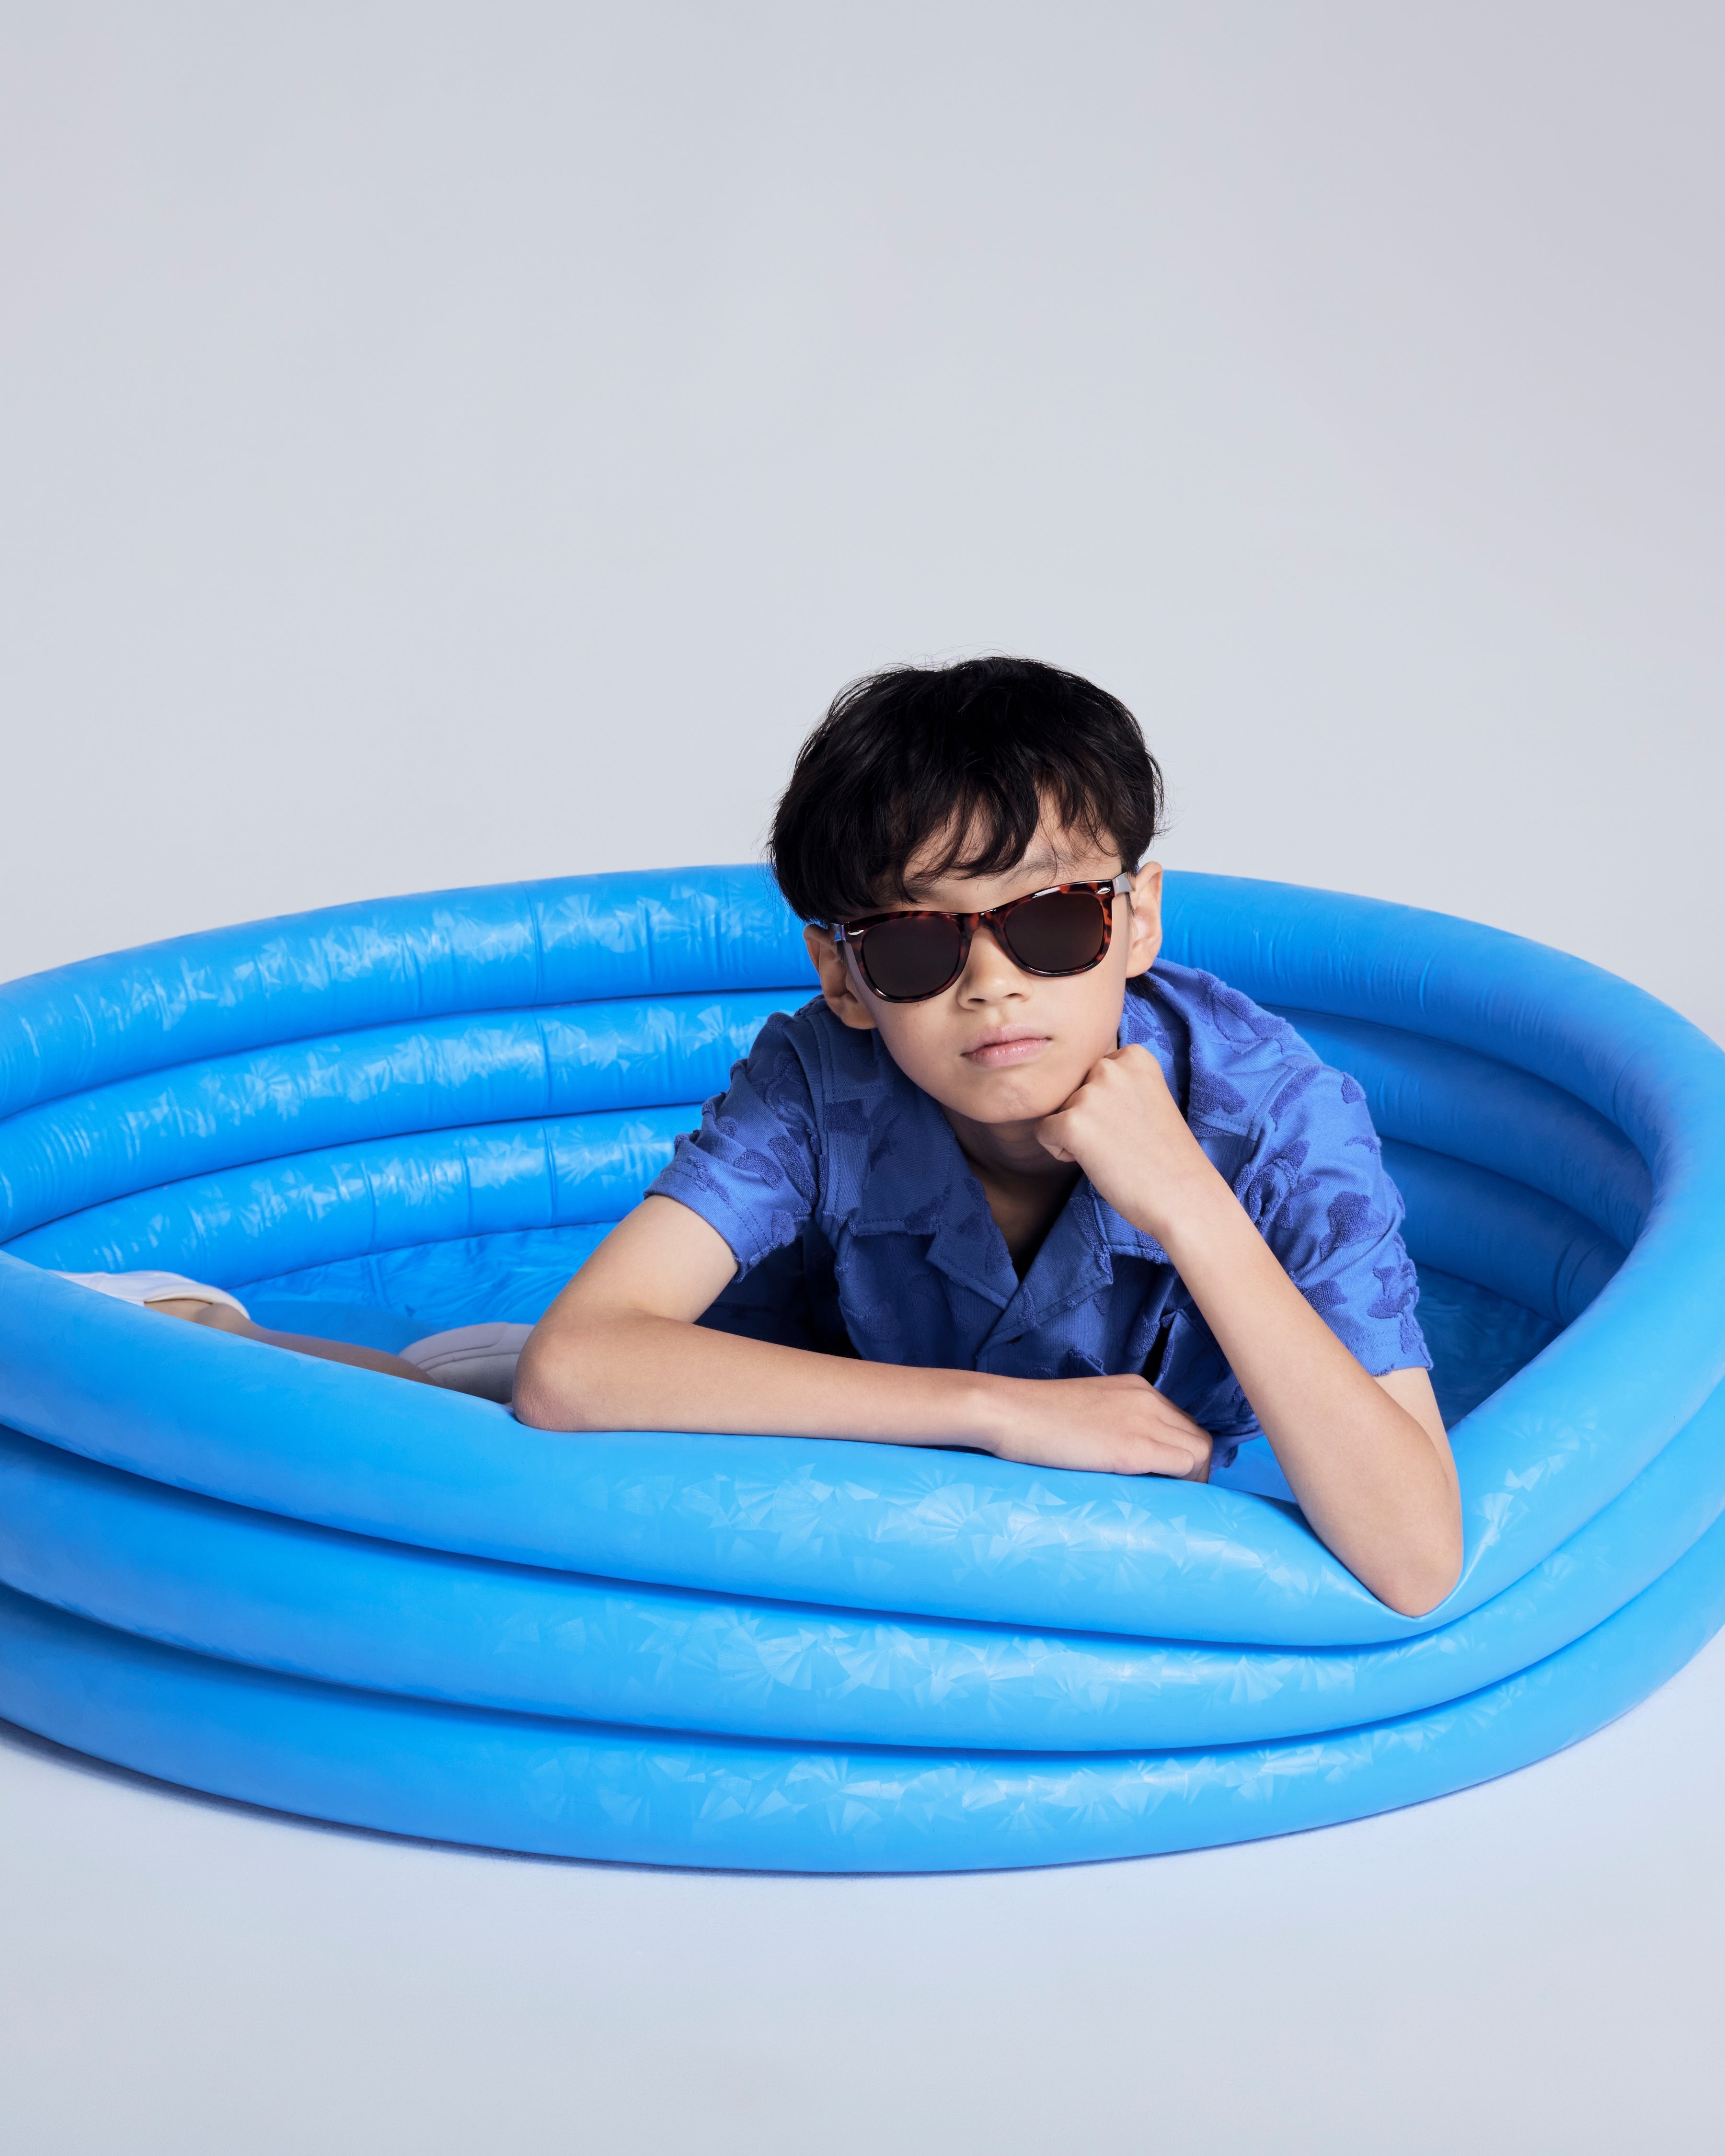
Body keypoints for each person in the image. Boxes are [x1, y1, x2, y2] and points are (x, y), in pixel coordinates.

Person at [101, 656, 1461, 1616]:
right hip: (824, 1401)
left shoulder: (1272, 1114)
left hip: (960, 1425)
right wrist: (1003, 1416)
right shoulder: (826, 1076)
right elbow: (581, 1372)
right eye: (920, 943)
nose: (994, 985)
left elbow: (1413, 1557)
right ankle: (221, 1333)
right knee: (514, 1420)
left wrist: (1191, 1207)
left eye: (1053, 924)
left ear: (1140, 918)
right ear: (840, 971)